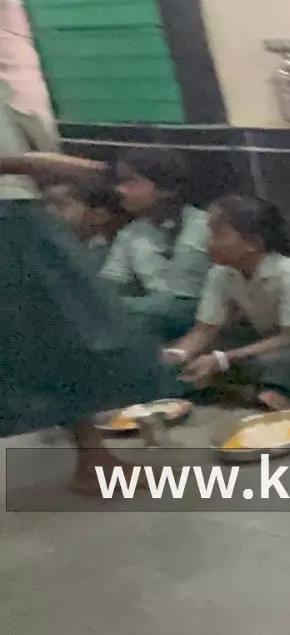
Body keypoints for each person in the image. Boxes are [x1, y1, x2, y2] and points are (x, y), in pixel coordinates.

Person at [0, 147, 181, 496]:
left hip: (17, 206)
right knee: (74, 325)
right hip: (9, 213)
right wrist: (30, 163)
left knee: (60, 336)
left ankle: (94, 458)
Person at [165, 195, 290, 411]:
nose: (209, 244)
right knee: (206, 355)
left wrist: (223, 359)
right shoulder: (220, 273)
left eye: (218, 235)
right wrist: (178, 355)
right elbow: (205, 329)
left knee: (286, 360)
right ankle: (249, 387)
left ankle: (269, 390)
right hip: (267, 338)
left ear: (253, 243)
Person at [100, 148, 212, 341]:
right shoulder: (129, 234)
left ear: (166, 188)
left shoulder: (208, 226)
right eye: (119, 183)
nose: (120, 190)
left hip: (205, 316)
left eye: (130, 182)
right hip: (153, 320)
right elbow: (111, 286)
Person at [43, 180, 127, 270]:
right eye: (45, 204)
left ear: (98, 216)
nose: (49, 210)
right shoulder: (45, 241)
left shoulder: (109, 254)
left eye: (61, 205)